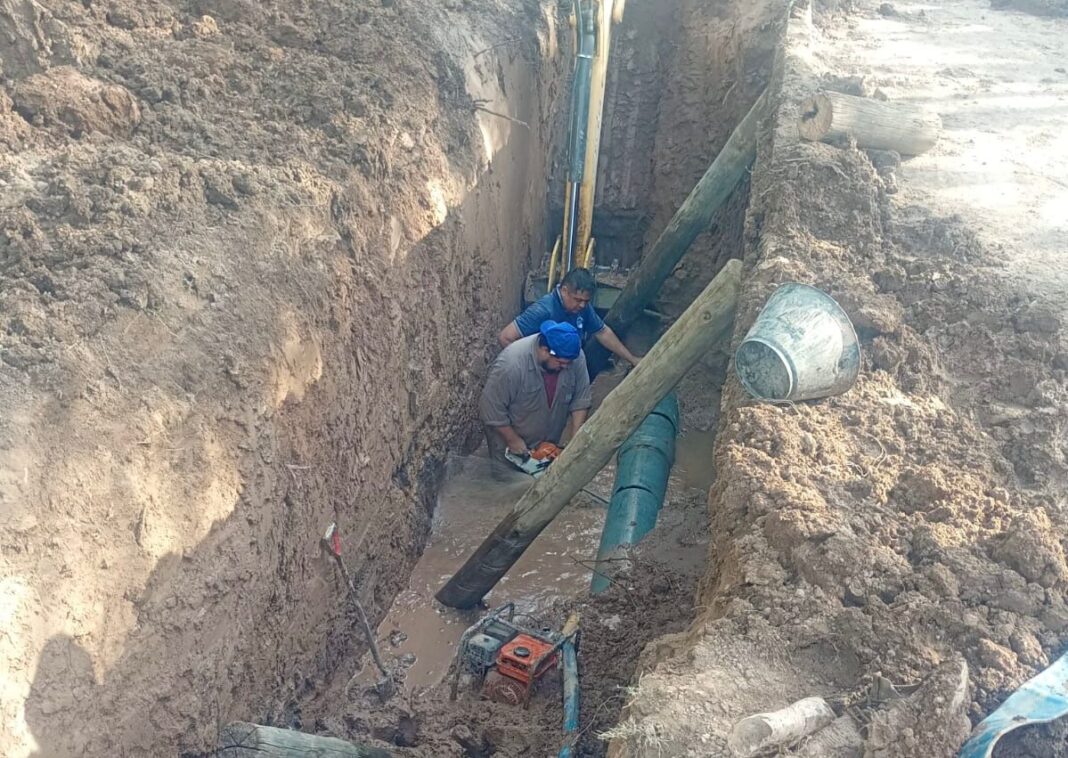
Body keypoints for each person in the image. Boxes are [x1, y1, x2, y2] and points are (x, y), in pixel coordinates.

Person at [480, 320, 592, 468]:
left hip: (546, 444)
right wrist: (512, 439)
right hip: (510, 445)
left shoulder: (574, 357)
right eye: (560, 363)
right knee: (506, 483)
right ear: (545, 350)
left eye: (569, 363)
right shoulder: (511, 366)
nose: (566, 367)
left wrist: (575, 441)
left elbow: (580, 399)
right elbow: (489, 408)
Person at [498, 268, 641, 367]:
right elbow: (505, 337)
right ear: (564, 291)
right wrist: (533, 366)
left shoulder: (582, 309)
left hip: (568, 370)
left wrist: (631, 359)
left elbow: (603, 332)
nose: (582, 305)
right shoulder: (543, 310)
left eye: (586, 301)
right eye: (578, 299)